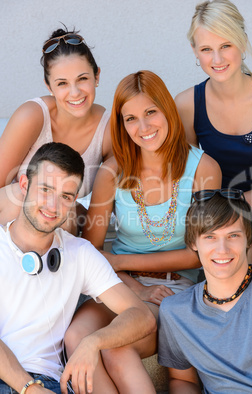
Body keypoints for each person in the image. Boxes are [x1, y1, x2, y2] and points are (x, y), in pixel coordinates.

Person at [64, 70, 221, 393]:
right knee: (75, 337)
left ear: (167, 110)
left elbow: (197, 256)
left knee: (116, 346)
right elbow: (91, 254)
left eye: (151, 112)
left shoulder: (204, 169)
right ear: (121, 125)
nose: (144, 127)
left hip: (173, 289)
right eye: (131, 118)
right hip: (117, 284)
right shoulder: (112, 172)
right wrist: (133, 285)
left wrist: (122, 263)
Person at [0, 142, 156, 394]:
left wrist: (93, 341)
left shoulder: (80, 253)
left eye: (66, 196)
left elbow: (142, 316)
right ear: (24, 185)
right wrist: (27, 388)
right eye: (46, 189)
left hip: (49, 383)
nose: (53, 206)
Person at [0, 26, 113, 232]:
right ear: (49, 86)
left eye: (82, 79)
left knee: (65, 206)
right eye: (62, 83)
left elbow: (102, 205)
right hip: (10, 227)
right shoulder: (32, 116)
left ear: (97, 76)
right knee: (20, 194)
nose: (75, 92)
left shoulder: (108, 130)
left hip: (60, 236)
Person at [158, 188, 252, 393]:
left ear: (249, 239)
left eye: (233, 235)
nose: (222, 249)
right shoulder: (175, 310)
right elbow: (183, 381)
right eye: (210, 237)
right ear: (193, 242)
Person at [175, 0, 252, 232]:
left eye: (226, 46)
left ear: (243, 42)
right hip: (222, 221)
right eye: (207, 49)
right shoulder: (187, 105)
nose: (217, 60)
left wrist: (232, 204)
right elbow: (187, 180)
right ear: (195, 51)